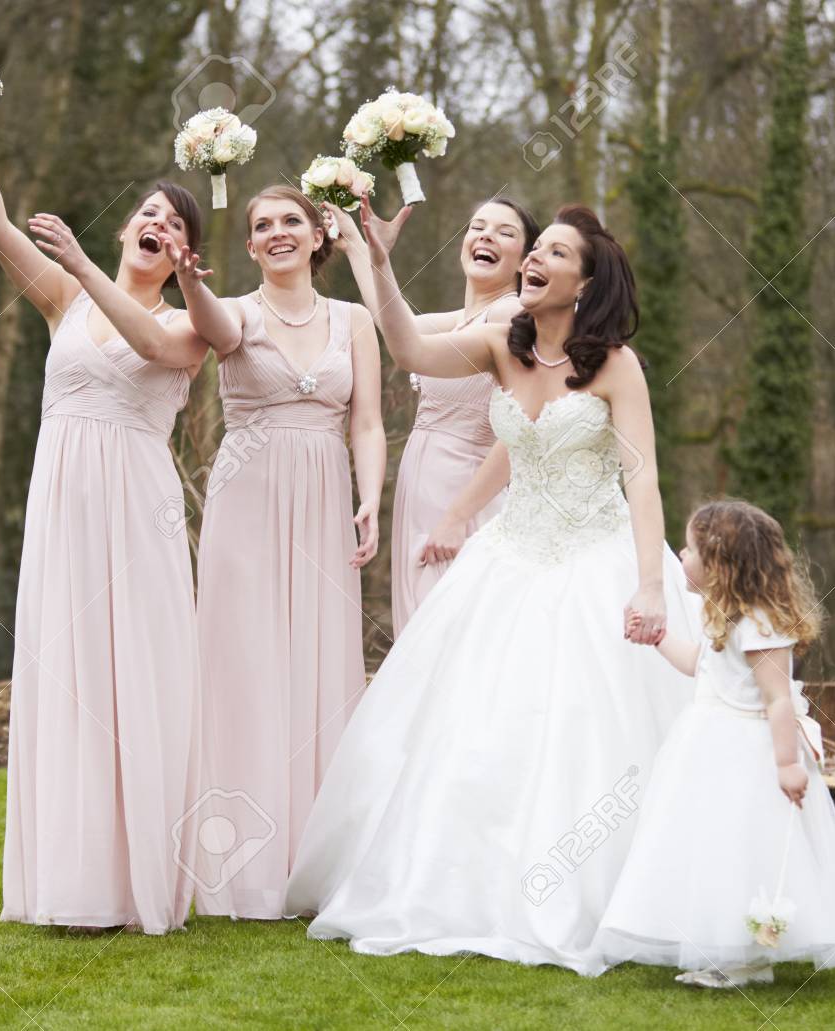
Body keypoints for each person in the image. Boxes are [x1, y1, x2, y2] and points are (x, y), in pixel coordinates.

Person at [284, 200, 698, 974]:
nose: (535, 257)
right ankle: (459, 884)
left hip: (594, 556)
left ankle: (594, 892)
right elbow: (408, 345)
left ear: (584, 281)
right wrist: (376, 259)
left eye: (554, 252)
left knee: (584, 727)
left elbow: (642, 482)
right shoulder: (500, 345)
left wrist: (649, 586)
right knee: (470, 727)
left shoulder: (615, 364)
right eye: (534, 248)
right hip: (508, 558)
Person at [0, 91, 221, 933]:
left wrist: (90, 267)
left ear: (182, 252)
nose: (151, 222)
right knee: (68, 676)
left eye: (168, 221)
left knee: (133, 679)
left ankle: (136, 883)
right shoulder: (65, 299)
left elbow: (152, 349)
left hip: (138, 514)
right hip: (62, 504)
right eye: (144, 211)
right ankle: (71, 879)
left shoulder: (191, 321)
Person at [182, 185, 385, 919]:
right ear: (249, 244)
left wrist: (370, 495)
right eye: (261, 225)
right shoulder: (233, 310)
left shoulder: (355, 320)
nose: (275, 233)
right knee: (245, 661)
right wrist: (187, 281)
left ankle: (317, 856)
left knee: (320, 659)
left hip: (325, 490)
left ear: (316, 234)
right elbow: (210, 328)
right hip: (247, 495)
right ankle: (237, 861)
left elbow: (367, 421)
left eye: (289, 221)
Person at [594, 499, 835, 986]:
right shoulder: (719, 614)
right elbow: (697, 666)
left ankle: (747, 959)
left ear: (720, 563)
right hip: (707, 743)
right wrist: (657, 637)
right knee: (713, 846)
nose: (680, 555)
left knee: (744, 845)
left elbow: (777, 701)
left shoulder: (760, 624)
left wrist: (787, 763)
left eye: (689, 549)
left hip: (747, 753)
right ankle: (725, 945)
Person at [329, 197, 540, 634]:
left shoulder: (510, 315)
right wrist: (358, 246)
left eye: (505, 232)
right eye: (477, 226)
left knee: (451, 636)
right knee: (423, 633)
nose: (486, 235)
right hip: (422, 494)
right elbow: (394, 327)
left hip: (463, 498)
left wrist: (457, 517)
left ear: (524, 260)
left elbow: (524, 429)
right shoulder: (464, 319)